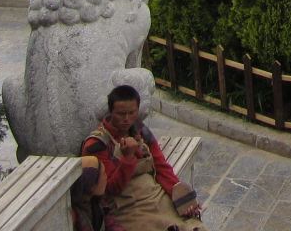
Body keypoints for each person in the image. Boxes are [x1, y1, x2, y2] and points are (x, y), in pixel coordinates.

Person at [81, 84, 205, 230]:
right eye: (121, 114)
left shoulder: (139, 130)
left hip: (155, 195)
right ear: (111, 112)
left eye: (132, 113)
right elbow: (109, 189)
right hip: (127, 208)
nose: (127, 119)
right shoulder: (97, 144)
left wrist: (180, 198)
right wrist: (127, 159)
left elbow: (161, 167)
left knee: (191, 226)